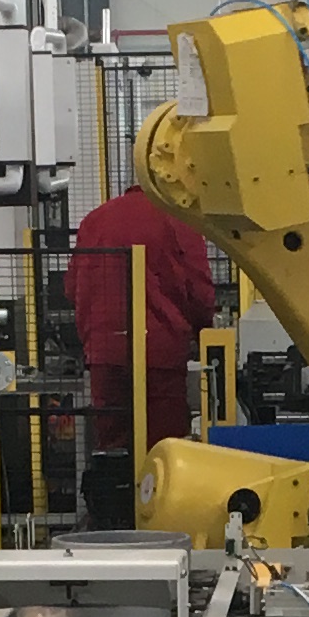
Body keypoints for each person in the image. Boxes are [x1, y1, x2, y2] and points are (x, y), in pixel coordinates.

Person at [65, 184, 216, 467]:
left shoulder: (95, 219)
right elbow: (199, 290)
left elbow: (73, 286)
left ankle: (116, 493)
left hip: (104, 350)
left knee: (114, 447)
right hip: (160, 350)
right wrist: (206, 334)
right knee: (165, 451)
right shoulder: (178, 218)